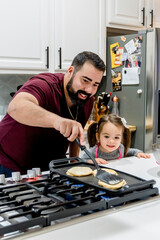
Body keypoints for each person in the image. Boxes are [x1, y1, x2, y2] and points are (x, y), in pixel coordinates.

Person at [0, 51, 105, 177]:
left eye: (95, 85)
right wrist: (58, 121)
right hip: (9, 165)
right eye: (85, 81)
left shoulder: (86, 99)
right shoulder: (45, 84)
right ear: (71, 71)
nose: (89, 90)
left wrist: (73, 164)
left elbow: (75, 136)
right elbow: (16, 107)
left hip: (49, 167)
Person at [82, 114, 151, 164]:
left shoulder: (121, 148)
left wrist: (139, 153)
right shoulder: (93, 152)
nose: (111, 141)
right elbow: (80, 160)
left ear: (121, 137)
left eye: (116, 137)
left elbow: (132, 151)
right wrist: (90, 161)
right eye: (106, 136)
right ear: (98, 137)